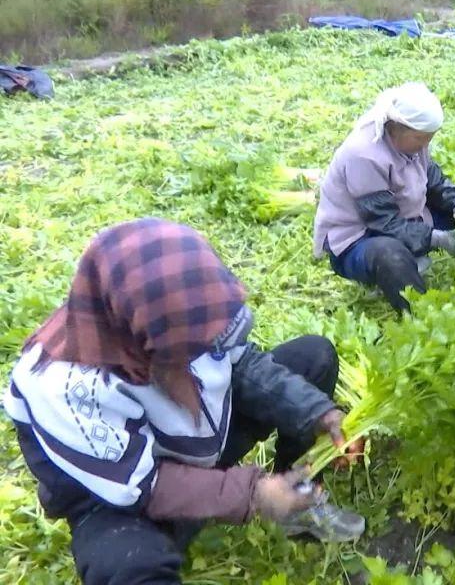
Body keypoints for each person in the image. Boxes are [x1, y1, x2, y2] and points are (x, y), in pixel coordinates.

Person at [3, 218, 367, 585]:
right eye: (198, 344)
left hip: (196, 438)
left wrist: (316, 411)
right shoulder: (62, 386)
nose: (211, 345)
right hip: (125, 495)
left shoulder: (179, 311)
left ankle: (296, 496)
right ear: (149, 338)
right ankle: (221, 510)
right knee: (130, 567)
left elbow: (242, 362)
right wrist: (254, 492)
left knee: (313, 358)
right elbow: (144, 484)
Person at [314, 82, 455, 312]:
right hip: (361, 238)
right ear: (396, 128)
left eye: (430, 138)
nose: (425, 145)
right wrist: (436, 238)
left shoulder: (413, 142)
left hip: (408, 218)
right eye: (420, 138)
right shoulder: (363, 155)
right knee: (391, 255)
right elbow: (383, 222)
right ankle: (419, 314)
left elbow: (433, 180)